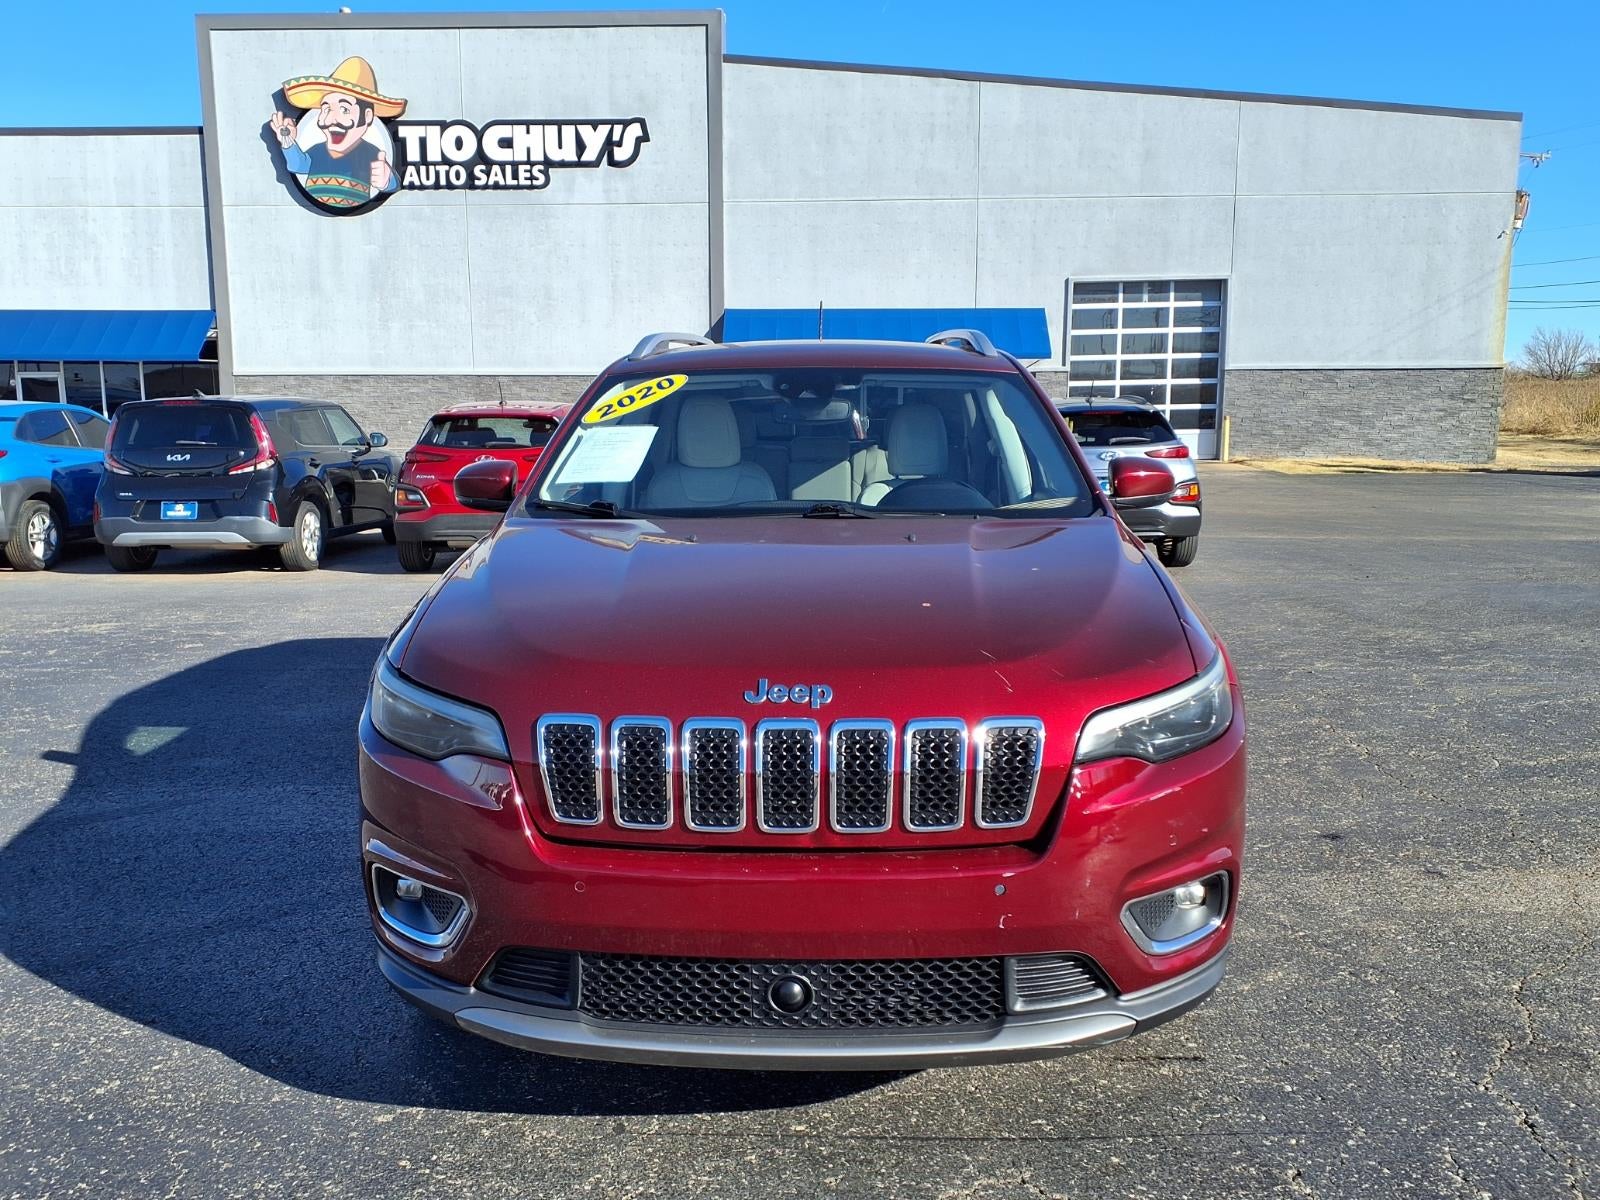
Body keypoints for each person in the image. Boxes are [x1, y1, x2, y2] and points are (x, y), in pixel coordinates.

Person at [270, 56, 407, 211]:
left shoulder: (371, 154)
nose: (330, 119)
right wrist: (288, 141)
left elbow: (392, 181)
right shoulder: (317, 151)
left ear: (368, 116)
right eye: (326, 109)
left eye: (344, 109)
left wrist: (386, 180)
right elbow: (298, 165)